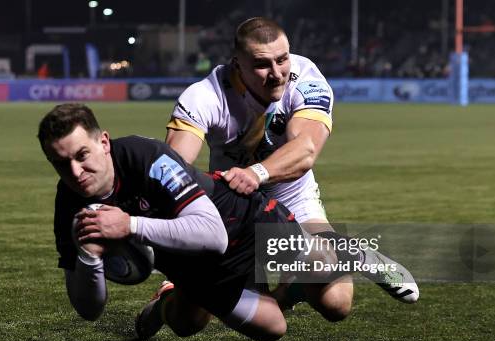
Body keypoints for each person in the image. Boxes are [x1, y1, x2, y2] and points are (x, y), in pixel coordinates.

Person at [165, 17, 419, 320]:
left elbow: (306, 149)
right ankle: (163, 304)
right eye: (262, 65)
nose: (276, 74)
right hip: (233, 206)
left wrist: (255, 173)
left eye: (282, 59)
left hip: (293, 198)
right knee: (187, 321)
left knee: (336, 303)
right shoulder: (205, 95)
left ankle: (310, 273)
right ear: (237, 64)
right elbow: (174, 165)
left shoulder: (306, 78)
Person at [38, 103, 326, 341]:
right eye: (61, 163)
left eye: (82, 155)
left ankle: (296, 285)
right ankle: (167, 301)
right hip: (191, 264)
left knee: (331, 287)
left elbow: (214, 235)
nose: (75, 171)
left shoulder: (144, 156)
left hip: (246, 223)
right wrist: (89, 258)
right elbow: (89, 310)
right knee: (269, 329)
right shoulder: (69, 206)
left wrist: (130, 225)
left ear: (103, 142)